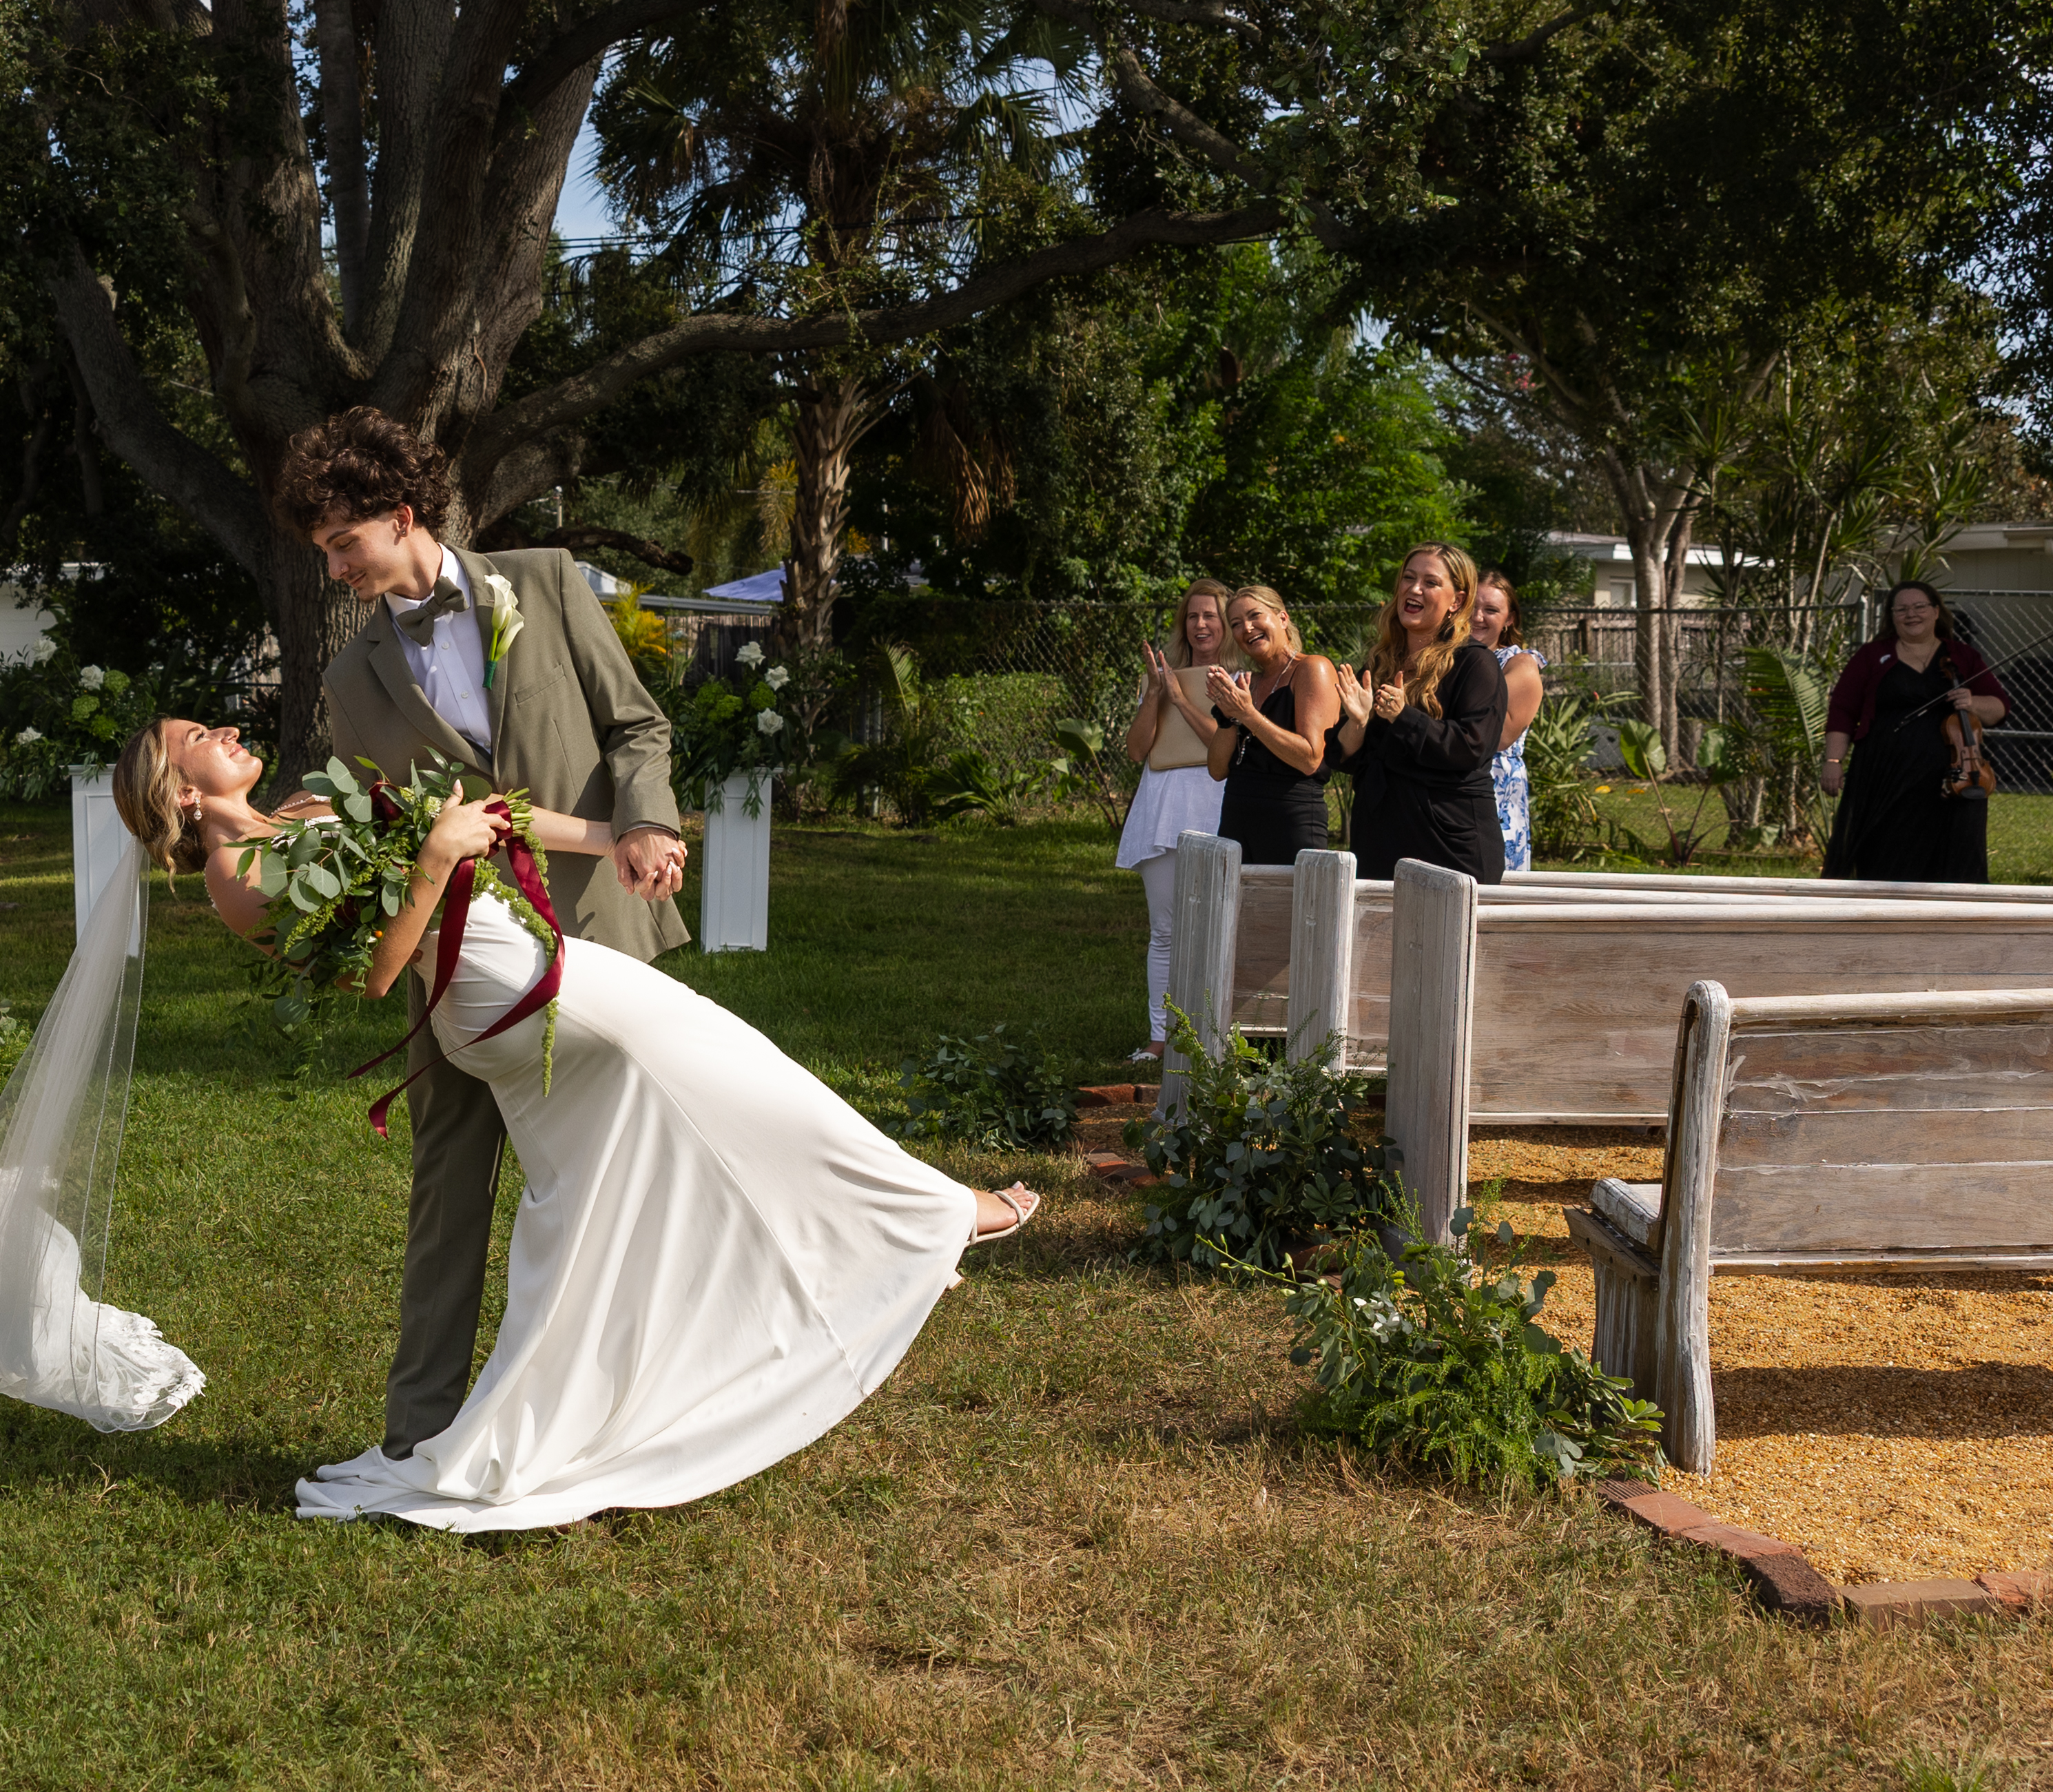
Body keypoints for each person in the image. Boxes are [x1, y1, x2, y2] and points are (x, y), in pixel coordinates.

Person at [118, 714, 1039, 1531]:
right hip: (511, 994)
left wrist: (622, 837)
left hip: (523, 969)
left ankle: (840, 1259)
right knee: (745, 1078)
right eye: (202, 736)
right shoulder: (236, 879)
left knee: (604, 1201)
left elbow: (493, 814)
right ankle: (924, 1216)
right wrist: (437, 857)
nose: (230, 728)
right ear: (184, 789)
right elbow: (377, 975)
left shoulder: (309, 809)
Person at [275, 408, 686, 1468]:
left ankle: (611, 1415)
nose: (335, 571)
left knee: (610, 1179)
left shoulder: (545, 582)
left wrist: (646, 820)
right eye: (322, 553)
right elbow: (376, 820)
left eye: (342, 545)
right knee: (447, 1185)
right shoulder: (350, 681)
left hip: (594, 926)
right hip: (454, 959)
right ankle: (418, 1431)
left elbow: (638, 727)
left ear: (402, 515)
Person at [1330, 544, 1507, 885]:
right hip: (1380, 841)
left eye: (1430, 582)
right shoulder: (1381, 663)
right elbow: (1343, 757)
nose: (1414, 589)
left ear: (1457, 601)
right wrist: (1358, 721)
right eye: (1408, 579)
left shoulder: (1475, 663)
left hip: (1447, 844)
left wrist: (1403, 716)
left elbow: (1472, 746)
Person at [1823, 579, 2006, 883]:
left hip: (1954, 773)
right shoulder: (1872, 656)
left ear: (1936, 612)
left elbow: (1999, 708)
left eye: (1920, 607)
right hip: (1885, 771)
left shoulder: (1962, 656)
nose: (1912, 614)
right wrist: (1833, 762)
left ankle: (1953, 920)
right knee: (1886, 849)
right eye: (1903, 609)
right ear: (1892, 617)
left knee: (1956, 849)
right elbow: (1842, 711)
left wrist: (1972, 701)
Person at [1117, 579, 1233, 1049]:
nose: (1201, 624)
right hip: (1164, 807)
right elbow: (1136, 749)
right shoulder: (1162, 676)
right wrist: (1156, 694)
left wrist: (1185, 700)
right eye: (1193, 615)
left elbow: (1221, 746)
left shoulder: (1243, 681)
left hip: (1217, 803)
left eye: (1211, 615)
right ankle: (1160, 1038)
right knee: (1165, 929)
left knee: (1217, 929)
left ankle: (1213, 1035)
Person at [1203, 584, 1338, 865]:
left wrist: (1249, 715)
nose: (1247, 628)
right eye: (1236, 624)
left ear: (1283, 619)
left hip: (1289, 822)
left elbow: (1310, 758)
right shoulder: (1247, 683)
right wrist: (1229, 716)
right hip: (1237, 820)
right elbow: (1217, 770)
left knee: (1289, 909)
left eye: (1255, 616)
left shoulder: (1313, 669)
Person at [1469, 570, 1549, 874]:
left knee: (1494, 889)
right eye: (1473, 607)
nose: (1478, 617)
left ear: (1510, 618)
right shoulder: (1441, 657)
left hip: (1497, 788)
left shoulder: (1520, 665)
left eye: (1491, 610)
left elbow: (1498, 736)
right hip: (1448, 783)